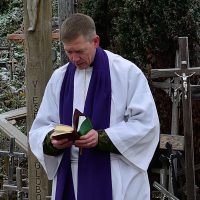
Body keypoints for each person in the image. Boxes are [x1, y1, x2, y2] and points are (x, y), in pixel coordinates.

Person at [29, 13, 160, 200]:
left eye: (80, 51)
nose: (74, 59)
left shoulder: (126, 72)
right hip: (70, 174)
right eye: (69, 52)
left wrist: (101, 138)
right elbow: (41, 127)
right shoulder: (59, 78)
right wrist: (52, 141)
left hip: (116, 175)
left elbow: (146, 125)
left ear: (96, 41)